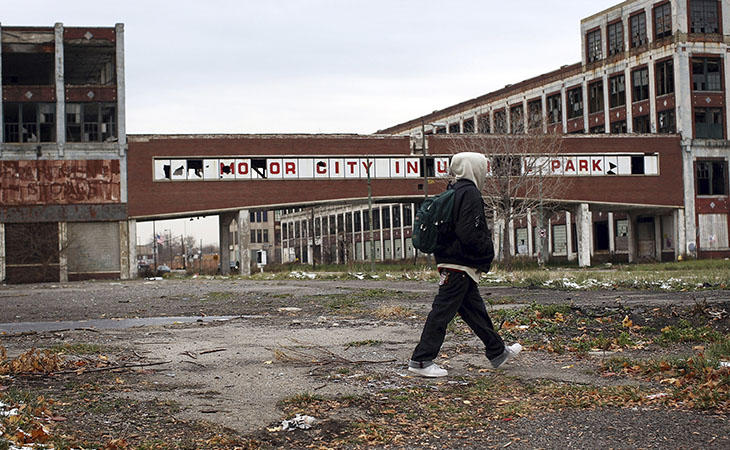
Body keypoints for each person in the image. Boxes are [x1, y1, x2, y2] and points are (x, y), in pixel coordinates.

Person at [408, 152, 522, 378]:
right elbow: (470, 233)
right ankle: (421, 360)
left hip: (452, 262)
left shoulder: (453, 191)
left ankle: (497, 351)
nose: (485, 173)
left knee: (474, 310)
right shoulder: (469, 193)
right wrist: (487, 252)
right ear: (474, 169)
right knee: (442, 312)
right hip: (458, 264)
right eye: (483, 168)